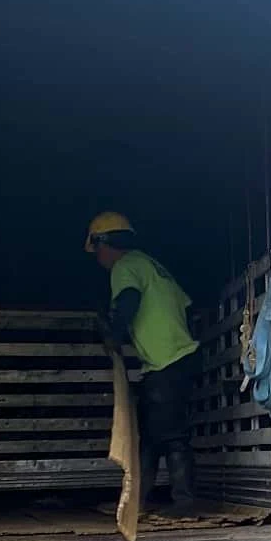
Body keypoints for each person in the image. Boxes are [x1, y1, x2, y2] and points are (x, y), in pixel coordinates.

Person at [85, 211, 200, 510]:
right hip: (176, 360)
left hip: (167, 362)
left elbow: (128, 301)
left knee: (171, 436)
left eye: (96, 249)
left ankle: (184, 504)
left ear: (104, 243)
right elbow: (187, 308)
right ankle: (137, 501)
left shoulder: (124, 267)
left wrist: (113, 333)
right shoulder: (152, 266)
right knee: (150, 436)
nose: (97, 257)